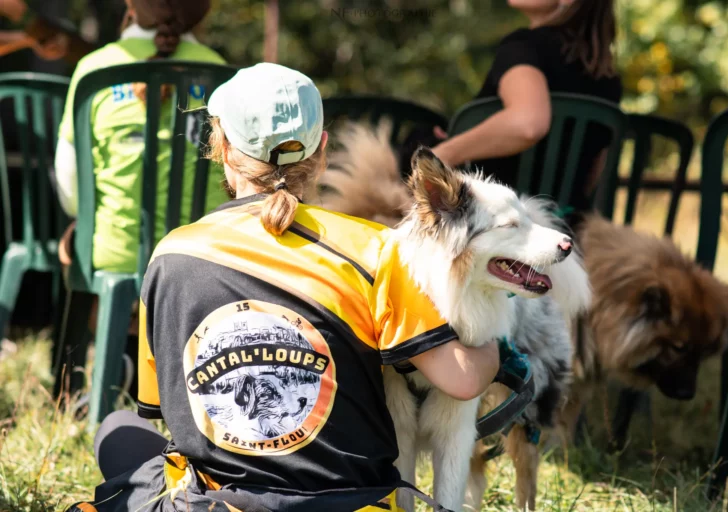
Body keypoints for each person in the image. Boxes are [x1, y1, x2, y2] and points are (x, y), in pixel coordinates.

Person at [66, 63, 501, 512]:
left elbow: (163, 409)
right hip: (353, 504)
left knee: (117, 428)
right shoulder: (376, 249)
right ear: (323, 151)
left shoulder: (172, 255)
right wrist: (492, 343)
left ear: (223, 149)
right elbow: (464, 380)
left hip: (218, 504)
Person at [53, 0, 229, 397]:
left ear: (132, 6)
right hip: (197, 253)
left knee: (80, 237)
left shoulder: (95, 68)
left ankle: (109, 370)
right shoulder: (219, 71)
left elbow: (69, 187)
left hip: (113, 249)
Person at [432, 0, 622, 218]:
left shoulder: (524, 47)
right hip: (568, 224)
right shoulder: (607, 78)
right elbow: (593, 174)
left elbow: (528, 124)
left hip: (493, 221)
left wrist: (443, 154)